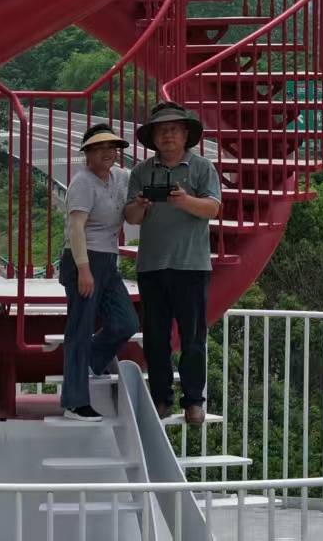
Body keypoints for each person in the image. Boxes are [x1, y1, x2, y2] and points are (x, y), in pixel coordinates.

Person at [123, 101, 222, 425]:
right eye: (162, 131)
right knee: (155, 337)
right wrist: (141, 204)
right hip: (152, 265)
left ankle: (193, 401)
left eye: (173, 130)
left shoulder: (202, 168)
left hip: (191, 265)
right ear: (153, 137)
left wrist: (184, 200)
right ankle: (160, 398)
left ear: (185, 135)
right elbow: (131, 217)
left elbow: (213, 208)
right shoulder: (141, 171)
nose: (167, 136)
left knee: (193, 338)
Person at [56, 123, 139, 421]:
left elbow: (133, 212)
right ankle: (74, 402)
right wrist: (83, 269)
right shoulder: (82, 182)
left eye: (112, 147)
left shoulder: (121, 178)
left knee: (126, 322)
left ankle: (90, 358)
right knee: (80, 328)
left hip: (108, 260)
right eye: (100, 148)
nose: (108, 153)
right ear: (87, 153)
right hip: (83, 258)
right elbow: (76, 227)